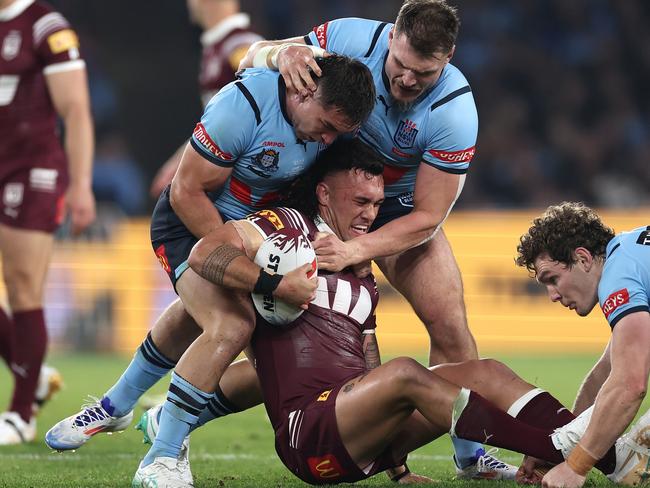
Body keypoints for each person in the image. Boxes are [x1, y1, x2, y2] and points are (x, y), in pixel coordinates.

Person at [144, 153, 649, 487]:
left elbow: (366, 365)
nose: (370, 214)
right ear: (324, 194)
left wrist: (399, 468)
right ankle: (569, 449)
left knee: (485, 369)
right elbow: (207, 253)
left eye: (378, 204)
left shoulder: (358, 267)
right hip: (309, 436)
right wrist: (273, 284)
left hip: (359, 425)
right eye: (360, 202)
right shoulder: (283, 229)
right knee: (408, 372)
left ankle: (577, 446)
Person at [45, 59, 376, 485]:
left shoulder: (323, 118)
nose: (327, 139)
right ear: (305, 93)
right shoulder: (242, 108)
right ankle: (161, 458)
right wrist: (246, 262)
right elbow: (186, 192)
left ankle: (119, 407)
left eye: (336, 133)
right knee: (232, 323)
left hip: (260, 234)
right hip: (189, 224)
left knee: (274, 354)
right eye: (327, 125)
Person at [237, 0, 509, 477]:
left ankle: (470, 457)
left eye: (421, 74)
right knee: (247, 325)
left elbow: (429, 216)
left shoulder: (455, 109)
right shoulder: (347, 40)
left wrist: (356, 250)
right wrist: (276, 54)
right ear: (389, 40)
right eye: (399, 65)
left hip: (398, 211)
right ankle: (167, 415)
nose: (406, 80)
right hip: (315, 202)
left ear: (445, 62)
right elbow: (248, 57)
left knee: (450, 327)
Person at [0, 0, 95, 445]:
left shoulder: (45, 26)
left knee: (21, 285)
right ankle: (32, 375)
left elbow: (75, 109)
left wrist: (80, 186)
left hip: (30, 171)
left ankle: (21, 414)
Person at [515, 202, 650, 488]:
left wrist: (576, 466)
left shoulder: (619, 277)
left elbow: (630, 385)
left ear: (583, 258)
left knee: (631, 469)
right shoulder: (629, 254)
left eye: (553, 279)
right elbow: (607, 371)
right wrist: (559, 447)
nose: (552, 295)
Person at [149, 0, 263, 198]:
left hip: (246, 180)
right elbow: (217, 122)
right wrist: (179, 161)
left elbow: (264, 101)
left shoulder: (241, 44)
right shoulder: (219, 46)